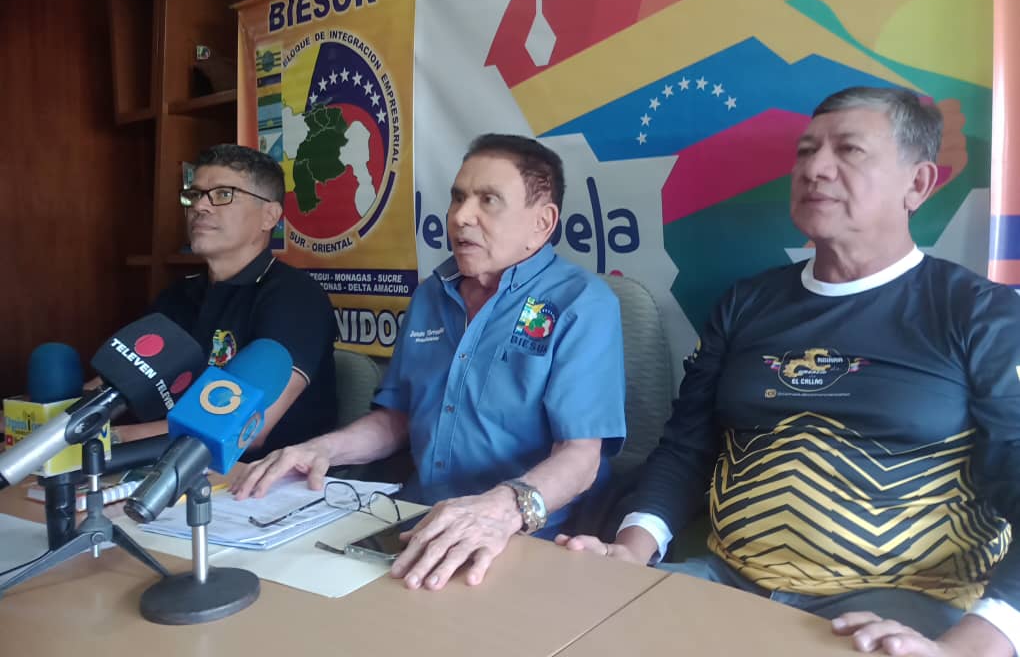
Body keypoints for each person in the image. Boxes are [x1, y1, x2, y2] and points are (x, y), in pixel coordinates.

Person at [558, 87, 1020, 657]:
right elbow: (685, 449)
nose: (814, 168)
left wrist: (973, 644)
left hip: (901, 605)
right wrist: (631, 551)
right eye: (805, 152)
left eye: (848, 150)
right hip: (726, 582)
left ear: (918, 184)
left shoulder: (981, 314)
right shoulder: (747, 303)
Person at [234, 134, 627, 591]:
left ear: (542, 223)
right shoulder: (431, 295)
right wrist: (322, 450)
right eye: (458, 198)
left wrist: (502, 510)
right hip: (414, 519)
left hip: (528, 537)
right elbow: (400, 418)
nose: (460, 216)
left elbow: (581, 457)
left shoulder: (581, 303)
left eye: (488, 201)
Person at [114, 144, 338, 460]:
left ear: (269, 216)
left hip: (256, 476)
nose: (200, 206)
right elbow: (116, 385)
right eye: (194, 195)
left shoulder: (297, 298)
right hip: (161, 465)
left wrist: (111, 439)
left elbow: (245, 429)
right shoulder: (178, 294)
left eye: (222, 194)